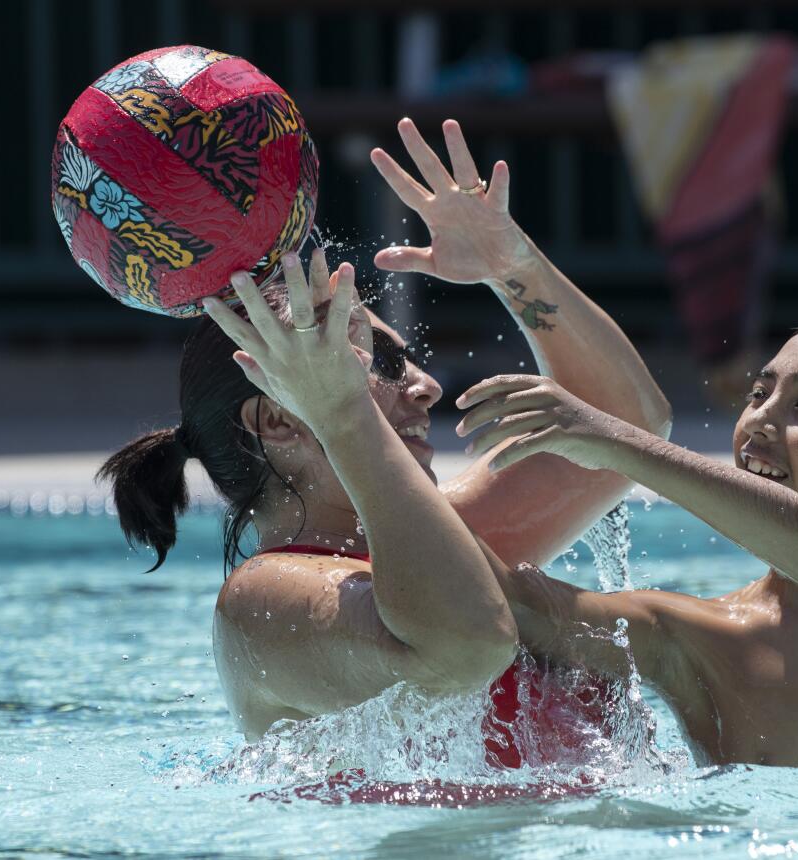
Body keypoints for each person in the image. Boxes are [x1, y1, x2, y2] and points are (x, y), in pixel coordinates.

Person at [98, 118, 671, 759]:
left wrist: (515, 268)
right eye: (380, 365)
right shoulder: (259, 606)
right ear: (282, 419)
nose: (427, 385)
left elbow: (626, 431)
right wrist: (344, 415)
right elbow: (465, 647)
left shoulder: (443, 538)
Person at [457, 318, 798, 771]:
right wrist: (376, 466)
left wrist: (613, 441)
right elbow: (505, 602)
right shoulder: (695, 635)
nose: (759, 418)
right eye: (759, 394)